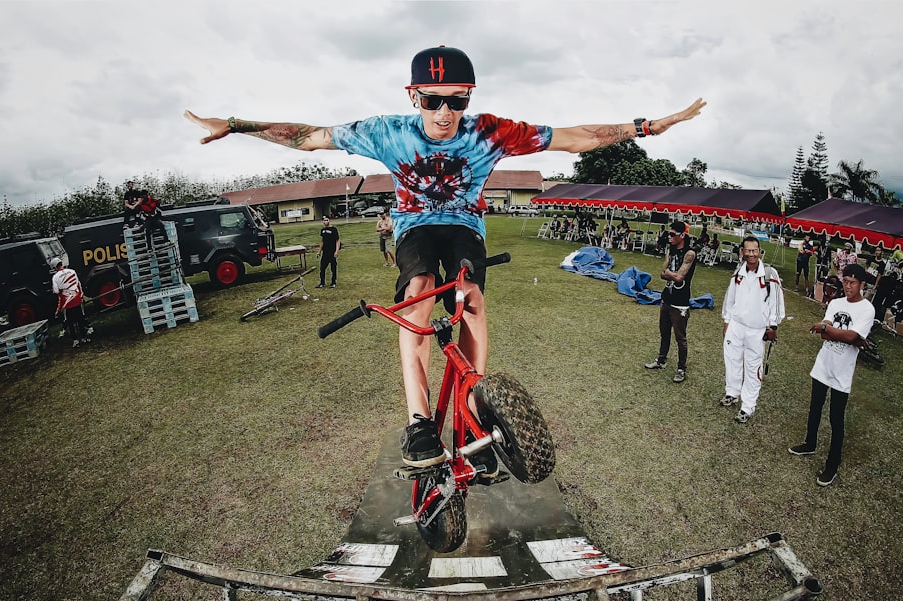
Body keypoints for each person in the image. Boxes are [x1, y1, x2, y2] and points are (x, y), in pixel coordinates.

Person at [185, 45, 706, 470]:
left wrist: (644, 127)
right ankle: (418, 422)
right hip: (414, 229)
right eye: (433, 101)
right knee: (418, 298)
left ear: (469, 98)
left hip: (463, 227)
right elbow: (308, 138)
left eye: (456, 102)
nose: (444, 114)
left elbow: (572, 138)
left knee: (469, 296)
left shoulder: (489, 131)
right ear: (414, 95)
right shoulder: (387, 131)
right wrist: (234, 124)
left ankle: (475, 408)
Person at [789, 263, 875, 486]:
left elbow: (850, 336)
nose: (847, 286)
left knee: (836, 418)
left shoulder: (867, 309)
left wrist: (830, 330)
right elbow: (830, 335)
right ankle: (810, 443)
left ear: (862, 285)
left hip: (842, 372)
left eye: (852, 283)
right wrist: (839, 333)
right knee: (815, 407)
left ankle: (832, 464)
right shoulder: (836, 303)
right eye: (845, 282)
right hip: (823, 364)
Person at [720, 235, 785, 423]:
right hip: (737, 326)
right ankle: (732, 393)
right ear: (742, 252)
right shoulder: (738, 272)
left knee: (752, 367)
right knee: (732, 361)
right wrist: (727, 320)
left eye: (754, 251)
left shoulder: (769, 274)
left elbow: (777, 303)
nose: (751, 254)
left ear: (759, 252)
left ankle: (747, 407)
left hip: (757, 330)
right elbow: (730, 299)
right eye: (747, 251)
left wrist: (773, 325)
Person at [644, 220, 698, 383]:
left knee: (680, 337)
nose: (669, 237)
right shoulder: (671, 250)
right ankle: (661, 360)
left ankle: (681, 368)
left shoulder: (690, 253)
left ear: (682, 235)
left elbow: (680, 276)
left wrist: (669, 273)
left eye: (673, 234)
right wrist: (670, 274)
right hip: (667, 296)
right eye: (669, 233)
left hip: (680, 301)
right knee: (664, 332)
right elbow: (662, 274)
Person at [51, 258, 93, 348]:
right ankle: (84, 338)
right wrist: (81, 296)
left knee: (70, 323)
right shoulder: (72, 271)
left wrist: (58, 311)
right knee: (80, 319)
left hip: (67, 303)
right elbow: (78, 285)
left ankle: (75, 341)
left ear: (54, 267)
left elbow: (56, 291)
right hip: (77, 299)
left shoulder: (55, 277)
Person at [316, 216, 340, 288]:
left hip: (332, 251)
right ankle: (322, 283)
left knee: (333, 267)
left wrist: (336, 251)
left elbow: (337, 240)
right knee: (322, 268)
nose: (325, 222)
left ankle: (333, 282)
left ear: (329, 221)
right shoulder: (323, 230)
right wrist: (319, 251)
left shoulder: (333, 229)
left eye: (326, 220)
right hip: (325, 252)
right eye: (323, 220)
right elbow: (322, 241)